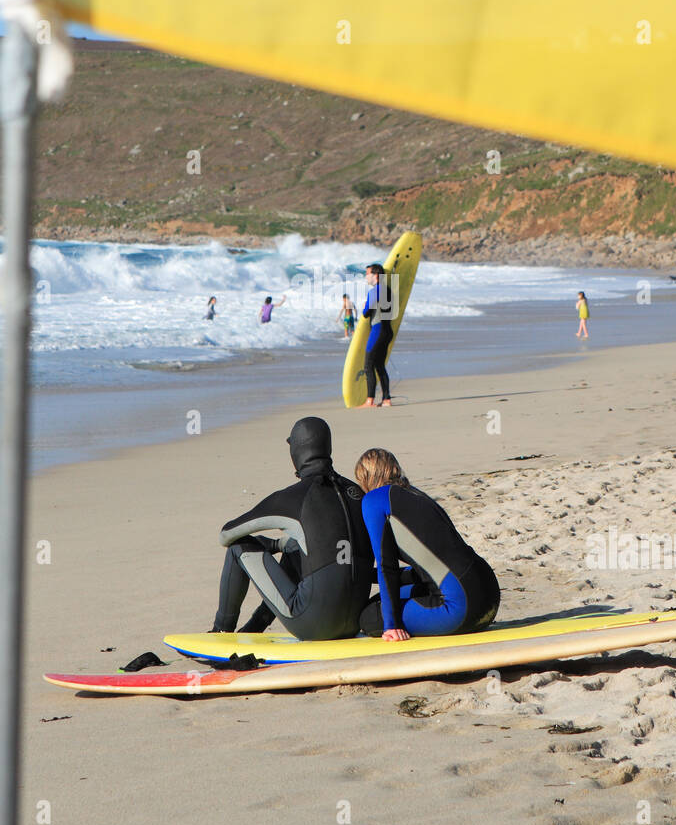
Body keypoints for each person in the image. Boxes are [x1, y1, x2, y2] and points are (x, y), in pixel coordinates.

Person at [211, 417, 374, 639]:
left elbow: (226, 534)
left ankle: (221, 632)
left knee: (238, 548)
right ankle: (254, 627)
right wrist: (278, 544)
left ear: (296, 452)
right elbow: (330, 544)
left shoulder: (292, 498)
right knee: (298, 548)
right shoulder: (357, 493)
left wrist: (266, 543)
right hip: (356, 620)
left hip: (312, 625)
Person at [355, 447, 500, 640]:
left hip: (461, 608)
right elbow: (432, 564)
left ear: (365, 478)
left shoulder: (373, 500)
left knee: (370, 616)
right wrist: (369, 576)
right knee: (383, 600)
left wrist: (391, 625)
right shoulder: (417, 495)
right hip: (489, 598)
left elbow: (386, 565)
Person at [360, 262, 394, 407]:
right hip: (387, 331)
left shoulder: (375, 291)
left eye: (368, 273)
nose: (366, 277)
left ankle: (370, 400)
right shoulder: (388, 290)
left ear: (376, 275)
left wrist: (364, 306)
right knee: (379, 365)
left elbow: (366, 313)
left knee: (368, 365)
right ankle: (386, 399)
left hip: (377, 331)